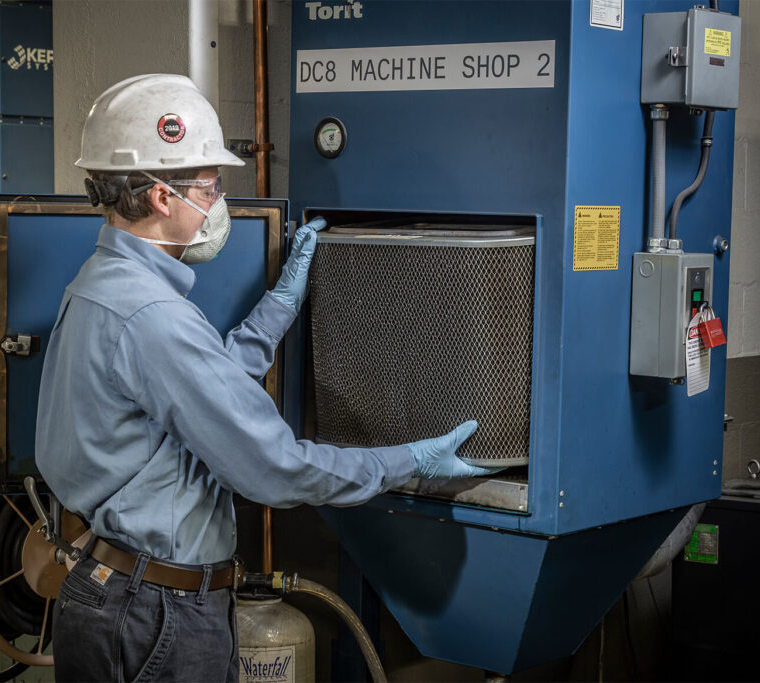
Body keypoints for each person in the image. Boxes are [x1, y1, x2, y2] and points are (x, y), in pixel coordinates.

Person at [35, 74, 497, 683]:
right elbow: (275, 468)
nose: (218, 198)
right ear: (160, 198)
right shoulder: (154, 316)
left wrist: (281, 304)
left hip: (109, 591)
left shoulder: (100, 284)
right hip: (156, 614)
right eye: (209, 184)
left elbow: (203, 390)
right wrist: (406, 461)